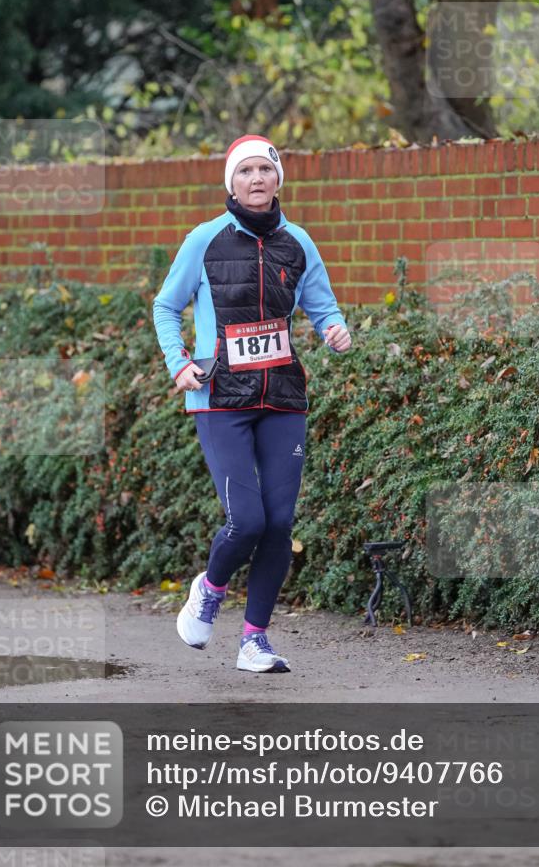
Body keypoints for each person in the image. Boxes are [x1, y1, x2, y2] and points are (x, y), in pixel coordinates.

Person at [153, 134, 352, 673]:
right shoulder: (205, 239)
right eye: (246, 171)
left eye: (266, 169)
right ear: (231, 183)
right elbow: (166, 307)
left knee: (280, 523)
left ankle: (254, 641)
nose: (257, 179)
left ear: (279, 179)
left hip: (282, 396)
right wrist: (178, 363)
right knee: (248, 520)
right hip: (219, 397)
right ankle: (211, 589)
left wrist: (334, 329)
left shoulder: (299, 241)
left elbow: (322, 304)